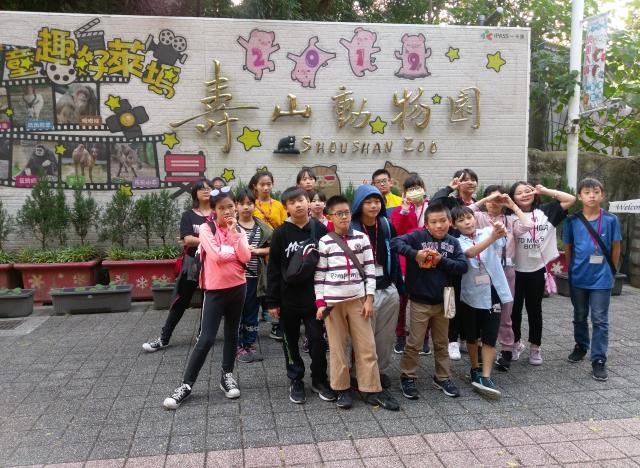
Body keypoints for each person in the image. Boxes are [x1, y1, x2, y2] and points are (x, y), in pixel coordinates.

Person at [163, 187, 251, 409]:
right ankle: (186, 385)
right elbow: (217, 256)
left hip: (238, 287)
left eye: (230, 206)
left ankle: (227, 376)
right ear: (214, 210)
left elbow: (246, 256)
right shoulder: (205, 228)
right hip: (215, 291)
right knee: (206, 338)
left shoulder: (238, 230)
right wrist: (232, 251)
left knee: (232, 333)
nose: (227, 211)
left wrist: (234, 234)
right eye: (221, 208)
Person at [315, 195, 399, 411]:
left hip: (358, 300)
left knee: (367, 346)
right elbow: (320, 274)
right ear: (329, 217)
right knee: (338, 348)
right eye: (339, 214)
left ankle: (370, 388)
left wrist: (369, 299)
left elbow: (370, 270)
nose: (344, 217)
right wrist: (320, 303)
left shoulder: (361, 239)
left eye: (346, 213)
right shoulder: (324, 242)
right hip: (333, 304)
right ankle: (341, 388)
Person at [265, 186, 335, 404]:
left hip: (315, 298)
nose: (298, 205)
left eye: (301, 200)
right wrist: (272, 301)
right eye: (292, 202)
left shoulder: (320, 229)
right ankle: (296, 379)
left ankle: (319, 379)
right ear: (286, 207)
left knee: (317, 340)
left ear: (308, 202)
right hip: (288, 299)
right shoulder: (280, 233)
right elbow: (273, 269)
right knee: (290, 340)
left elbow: (329, 263)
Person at [391, 203, 468, 400]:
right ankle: (407, 377)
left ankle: (442, 377)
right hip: (420, 300)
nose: (439, 225)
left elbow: (462, 266)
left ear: (450, 222)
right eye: (434, 222)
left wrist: (441, 261)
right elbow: (395, 242)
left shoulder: (454, 242)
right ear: (426, 224)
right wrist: (415, 254)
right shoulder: (417, 237)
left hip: (445, 300)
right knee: (415, 342)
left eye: (443, 221)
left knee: (442, 342)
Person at [510, 181, 576, 365]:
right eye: (519, 193)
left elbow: (570, 199)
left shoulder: (547, 211)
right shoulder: (509, 214)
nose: (524, 195)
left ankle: (535, 347)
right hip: (513, 270)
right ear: (512, 197)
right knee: (513, 311)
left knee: (535, 310)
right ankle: (515, 344)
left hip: (537, 269)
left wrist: (545, 190)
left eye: (528, 191)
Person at [142, 179, 212, 352]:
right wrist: (210, 241)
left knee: (208, 301)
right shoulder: (188, 215)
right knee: (181, 300)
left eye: (208, 188)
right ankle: (164, 338)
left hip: (212, 263)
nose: (206, 191)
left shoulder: (217, 213)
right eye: (202, 189)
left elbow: (196, 239)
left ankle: (202, 336)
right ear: (195, 193)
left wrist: (198, 240)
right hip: (192, 263)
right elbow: (187, 239)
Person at [468, 186, 533, 371]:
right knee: (481, 308)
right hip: (482, 271)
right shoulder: (478, 217)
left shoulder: (510, 221)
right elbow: (462, 212)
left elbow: (528, 225)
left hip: (506, 271)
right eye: (491, 199)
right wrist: (484, 200)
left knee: (505, 312)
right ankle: (481, 347)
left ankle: (506, 350)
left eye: (498, 200)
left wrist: (512, 205)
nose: (494, 203)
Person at [564, 178, 621, 381]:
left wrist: (611, 271)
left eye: (596, 192)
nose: (592, 196)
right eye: (587, 192)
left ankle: (598, 359)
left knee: (599, 319)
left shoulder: (611, 220)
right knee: (580, 315)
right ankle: (581, 345)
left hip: (602, 278)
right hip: (578, 276)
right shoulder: (572, 221)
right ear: (579, 196)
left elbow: (616, 247)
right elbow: (568, 248)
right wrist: (571, 271)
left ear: (602, 195)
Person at [452, 206, 511, 399]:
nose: (467, 222)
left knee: (490, 334)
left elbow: (502, 239)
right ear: (454, 225)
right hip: (470, 294)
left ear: (475, 218)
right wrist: (492, 237)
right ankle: (474, 368)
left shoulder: (486, 231)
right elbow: (470, 253)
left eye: (469, 217)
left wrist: (500, 229)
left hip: (493, 290)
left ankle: (486, 375)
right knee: (471, 334)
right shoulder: (456, 242)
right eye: (461, 220)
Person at [350, 184, 403, 391]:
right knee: (364, 337)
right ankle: (359, 374)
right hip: (362, 292)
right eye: (368, 202)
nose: (374, 206)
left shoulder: (386, 224)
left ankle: (378, 371)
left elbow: (395, 253)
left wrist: (398, 284)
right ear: (359, 205)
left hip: (387, 286)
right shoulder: (352, 227)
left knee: (385, 335)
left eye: (377, 202)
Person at [431, 169, 479, 361]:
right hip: (454, 256)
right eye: (465, 180)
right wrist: (449, 188)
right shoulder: (451, 202)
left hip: (475, 259)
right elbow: (433, 204)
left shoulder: (478, 203)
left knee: (469, 298)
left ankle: (466, 337)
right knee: (452, 296)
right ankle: (452, 340)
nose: (470, 182)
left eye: (473, 179)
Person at [390, 174, 430, 356]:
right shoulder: (400, 209)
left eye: (418, 187)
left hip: (428, 258)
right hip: (406, 261)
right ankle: (400, 335)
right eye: (410, 188)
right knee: (402, 300)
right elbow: (396, 232)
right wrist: (404, 211)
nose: (415, 191)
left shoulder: (432, 207)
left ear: (424, 188)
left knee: (426, 299)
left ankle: (425, 338)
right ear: (404, 192)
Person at [249, 170, 287, 341]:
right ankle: (250, 327)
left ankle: (278, 325)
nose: (266, 187)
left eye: (269, 184)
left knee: (277, 287)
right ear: (255, 186)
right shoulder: (251, 204)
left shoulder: (278, 205)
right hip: (256, 254)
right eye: (262, 184)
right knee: (259, 288)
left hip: (276, 251)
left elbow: (284, 226)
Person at [235, 189, 272, 363]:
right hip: (235, 279)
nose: (246, 207)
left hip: (254, 278)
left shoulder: (262, 227)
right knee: (236, 312)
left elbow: (273, 247)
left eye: (249, 203)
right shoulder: (231, 227)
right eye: (242, 204)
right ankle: (236, 345)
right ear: (236, 206)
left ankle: (249, 343)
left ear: (255, 205)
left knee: (251, 312)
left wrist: (256, 251)